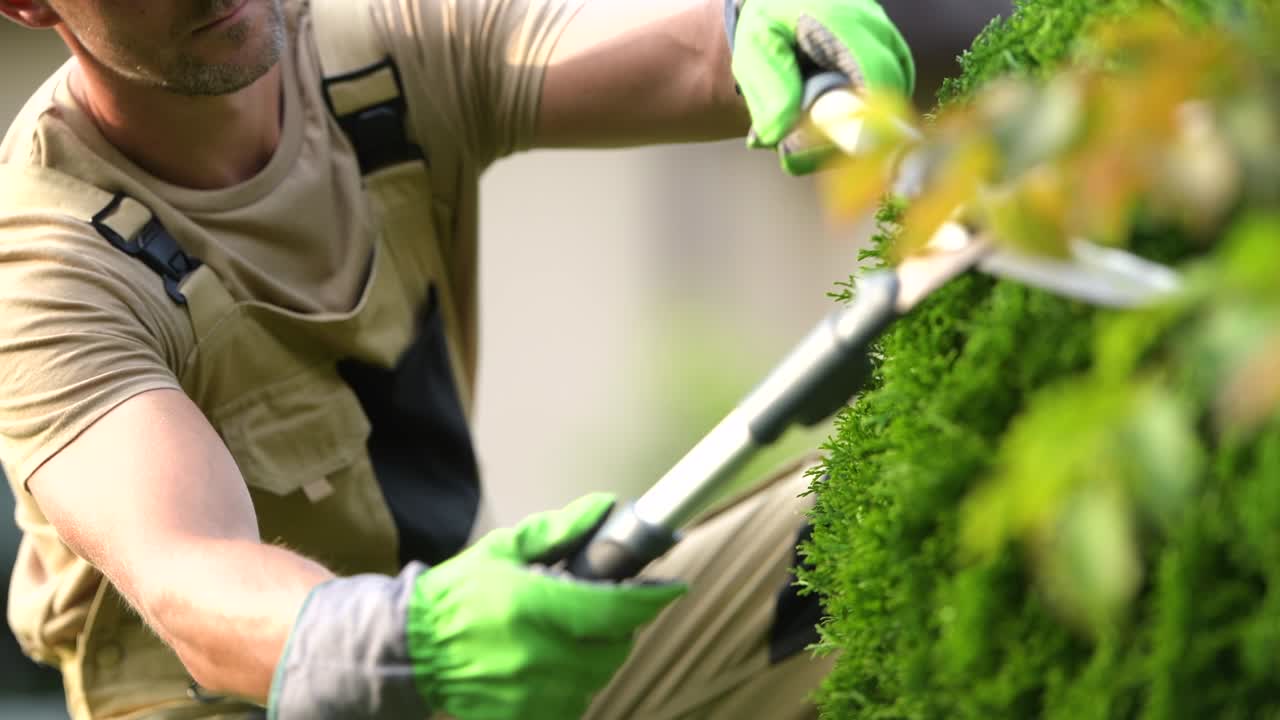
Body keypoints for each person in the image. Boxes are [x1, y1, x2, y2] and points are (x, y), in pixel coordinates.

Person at [0, 0, 913, 717]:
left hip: (473, 685)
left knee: (883, 518)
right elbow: (192, 581)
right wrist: (417, 639)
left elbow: (701, 55)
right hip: (314, 692)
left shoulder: (374, 50)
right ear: (30, 5)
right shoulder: (46, 267)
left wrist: (756, 24)